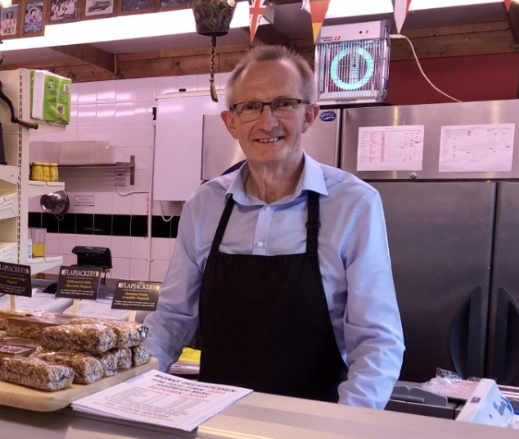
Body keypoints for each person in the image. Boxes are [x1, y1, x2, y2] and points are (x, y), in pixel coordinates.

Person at [144, 45, 404, 410]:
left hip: (318, 424)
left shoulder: (354, 204)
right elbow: (172, 318)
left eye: (284, 104)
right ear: (231, 122)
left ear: (309, 116)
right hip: (215, 423)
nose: (267, 122)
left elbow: (377, 340)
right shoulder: (204, 205)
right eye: (250, 106)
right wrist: (135, 384)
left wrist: (348, 427)